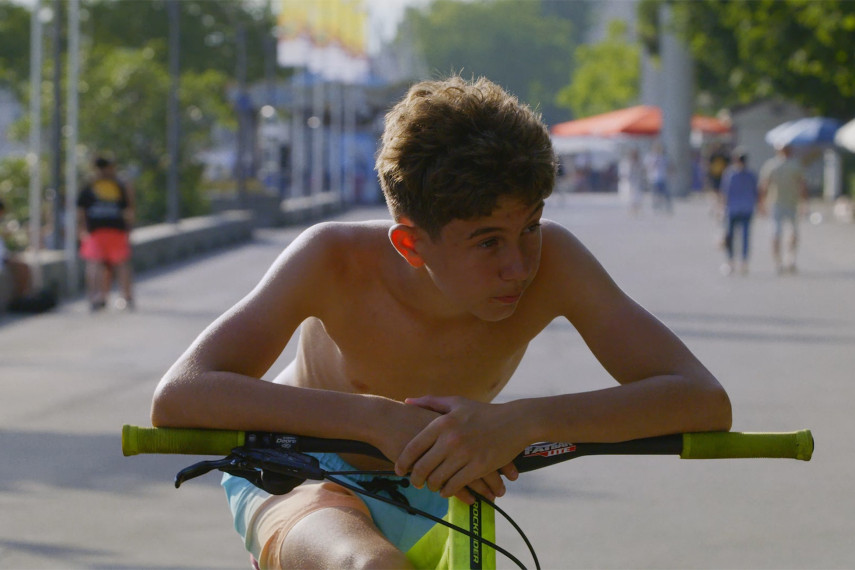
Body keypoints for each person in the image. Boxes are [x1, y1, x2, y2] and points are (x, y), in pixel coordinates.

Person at [150, 76, 731, 569]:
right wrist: (375, 419)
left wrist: (523, 421)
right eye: (487, 241)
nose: (519, 266)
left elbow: (703, 399)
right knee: (370, 566)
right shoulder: (330, 258)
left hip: (446, 484)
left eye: (530, 226)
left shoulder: (558, 262)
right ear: (410, 244)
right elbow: (179, 395)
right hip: (301, 469)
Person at [76, 156, 135, 310]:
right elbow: (129, 209)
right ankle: (126, 297)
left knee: (95, 264)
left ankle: (96, 297)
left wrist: (81, 230)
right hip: (114, 229)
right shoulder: (119, 184)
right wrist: (129, 228)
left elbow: (81, 211)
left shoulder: (89, 185)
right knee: (120, 264)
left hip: (97, 231)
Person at [758, 144, 807, 274]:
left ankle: (782, 260)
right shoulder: (791, 165)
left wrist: (761, 203)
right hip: (784, 203)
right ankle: (786, 260)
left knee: (781, 233)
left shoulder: (773, 165)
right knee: (785, 233)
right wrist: (804, 202)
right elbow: (802, 185)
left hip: (783, 203)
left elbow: (764, 186)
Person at [718, 149, 759, 276]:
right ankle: (740, 262)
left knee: (734, 237)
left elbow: (724, 192)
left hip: (735, 209)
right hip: (744, 208)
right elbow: (756, 192)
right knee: (740, 237)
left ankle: (735, 262)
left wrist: (721, 208)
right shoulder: (750, 175)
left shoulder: (730, 174)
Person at [644, 141, 673, 214]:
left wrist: (670, 174)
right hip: (654, 178)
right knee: (655, 194)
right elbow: (646, 166)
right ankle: (656, 207)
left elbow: (669, 166)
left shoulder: (664, 157)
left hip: (663, 178)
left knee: (666, 194)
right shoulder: (650, 157)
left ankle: (667, 207)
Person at [618, 147, 645, 216]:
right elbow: (624, 172)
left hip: (637, 181)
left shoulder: (639, 162)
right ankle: (632, 208)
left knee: (637, 195)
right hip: (629, 181)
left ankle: (636, 208)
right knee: (630, 195)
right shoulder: (627, 162)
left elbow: (642, 171)